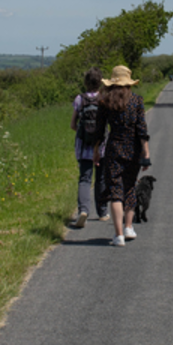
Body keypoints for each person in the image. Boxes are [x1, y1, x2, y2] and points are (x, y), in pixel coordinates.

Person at [94, 64, 151, 247]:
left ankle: (118, 235)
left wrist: (96, 150)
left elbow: (100, 130)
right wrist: (146, 152)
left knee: (116, 191)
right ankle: (128, 227)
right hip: (133, 150)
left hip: (113, 149)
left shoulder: (105, 102)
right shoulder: (137, 101)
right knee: (129, 187)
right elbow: (141, 129)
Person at [70, 67, 105, 228]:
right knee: (101, 178)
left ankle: (83, 210)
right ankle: (102, 212)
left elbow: (72, 125)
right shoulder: (104, 98)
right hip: (101, 146)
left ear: (86, 82)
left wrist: (84, 133)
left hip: (84, 146)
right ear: (100, 82)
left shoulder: (79, 99)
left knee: (84, 179)